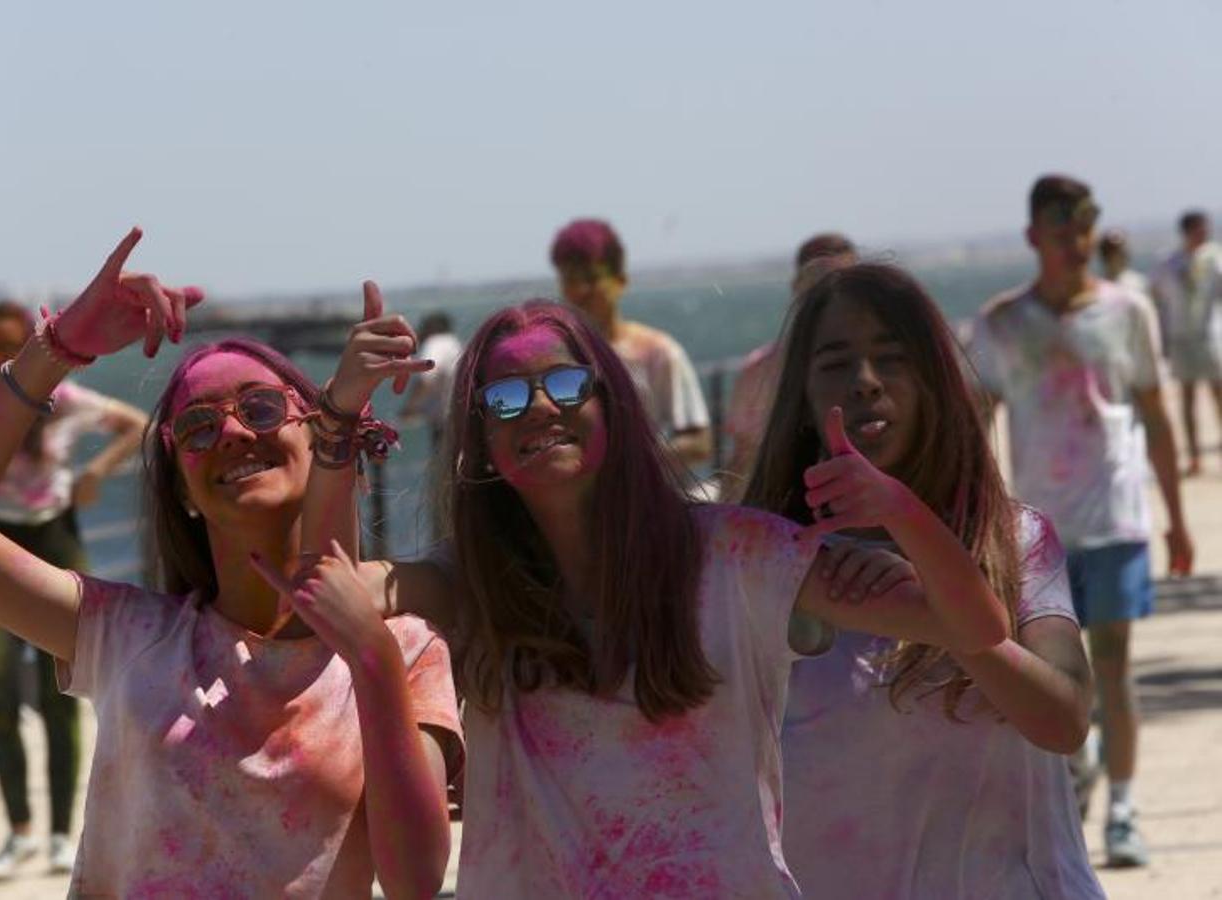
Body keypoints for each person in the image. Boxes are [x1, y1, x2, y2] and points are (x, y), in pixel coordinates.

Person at [299, 292, 1014, 898]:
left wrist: (897, 511)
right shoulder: (472, 585)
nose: (541, 407)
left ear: (613, 404)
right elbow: (325, 583)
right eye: (506, 397)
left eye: (568, 384)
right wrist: (339, 411)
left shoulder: (735, 553)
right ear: (481, 441)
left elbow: (976, 626)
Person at [0, 230, 462, 898]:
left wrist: (369, 658)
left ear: (319, 437)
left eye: (260, 407)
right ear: (184, 494)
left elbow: (416, 880)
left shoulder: (403, 650)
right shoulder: (129, 636)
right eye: (196, 428)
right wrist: (57, 351)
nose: (229, 432)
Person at [743, 263, 1103, 898]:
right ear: (800, 392)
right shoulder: (761, 563)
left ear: (936, 380)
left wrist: (924, 569)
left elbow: (1062, 720)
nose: (866, 383)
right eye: (835, 362)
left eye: (893, 358)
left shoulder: (1017, 541)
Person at [969, 175, 1194, 868]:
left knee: (1117, 666)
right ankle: (1084, 755)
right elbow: (978, 421)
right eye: (1061, 230)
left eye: (1084, 228)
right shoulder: (1001, 323)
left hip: (1116, 518)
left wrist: (1175, 520)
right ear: (1033, 236)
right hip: (1039, 536)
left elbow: (1154, 412)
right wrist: (977, 521)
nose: (1075, 242)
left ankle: (1122, 811)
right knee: (1059, 674)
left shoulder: (1126, 311)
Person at [0, 299, 148, 880]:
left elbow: (134, 424)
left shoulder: (61, 400)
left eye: (10, 347)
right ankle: (18, 831)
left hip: (55, 536)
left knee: (60, 693)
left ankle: (63, 833)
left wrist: (96, 473)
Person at [549, 218, 713, 469]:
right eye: (570, 279)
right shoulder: (552, 357)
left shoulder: (659, 352)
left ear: (620, 281)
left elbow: (699, 443)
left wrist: (629, 463)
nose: (581, 290)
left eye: (591, 278)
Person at [722, 232, 858, 499]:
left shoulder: (881, 369)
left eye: (846, 283)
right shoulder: (759, 371)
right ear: (797, 288)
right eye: (819, 284)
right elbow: (741, 459)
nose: (831, 295)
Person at [1150, 210, 1222, 476]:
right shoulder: (1168, 262)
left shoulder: (1215, 258)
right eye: (1199, 229)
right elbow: (1156, 295)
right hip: (1181, 337)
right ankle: (1194, 455)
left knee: (1218, 393)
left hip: (1210, 335)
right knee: (1187, 396)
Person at [399, 311, 462, 451]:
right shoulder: (453, 343)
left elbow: (427, 375)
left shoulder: (436, 343)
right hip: (459, 418)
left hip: (445, 423)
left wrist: (409, 408)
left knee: (443, 468)